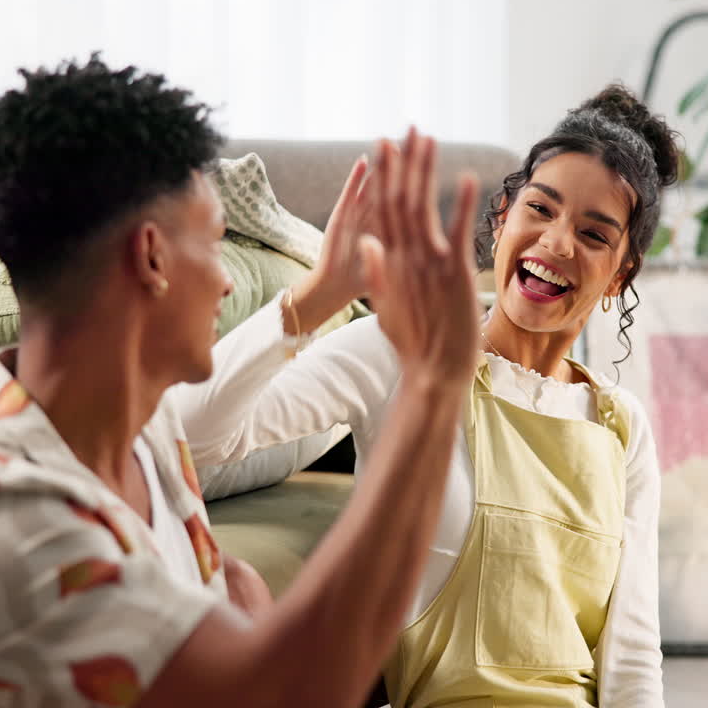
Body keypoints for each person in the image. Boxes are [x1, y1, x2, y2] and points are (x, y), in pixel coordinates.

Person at [0, 54, 482, 708]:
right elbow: (292, 688)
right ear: (151, 256)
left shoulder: (145, 431)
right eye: (215, 242)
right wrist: (432, 386)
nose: (226, 282)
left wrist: (323, 292)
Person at [173, 84, 680, 707]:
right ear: (502, 218)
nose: (556, 242)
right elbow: (189, 436)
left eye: (594, 235)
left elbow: (632, 659)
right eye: (540, 209)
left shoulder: (620, 427)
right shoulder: (399, 353)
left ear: (621, 275)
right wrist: (316, 296)